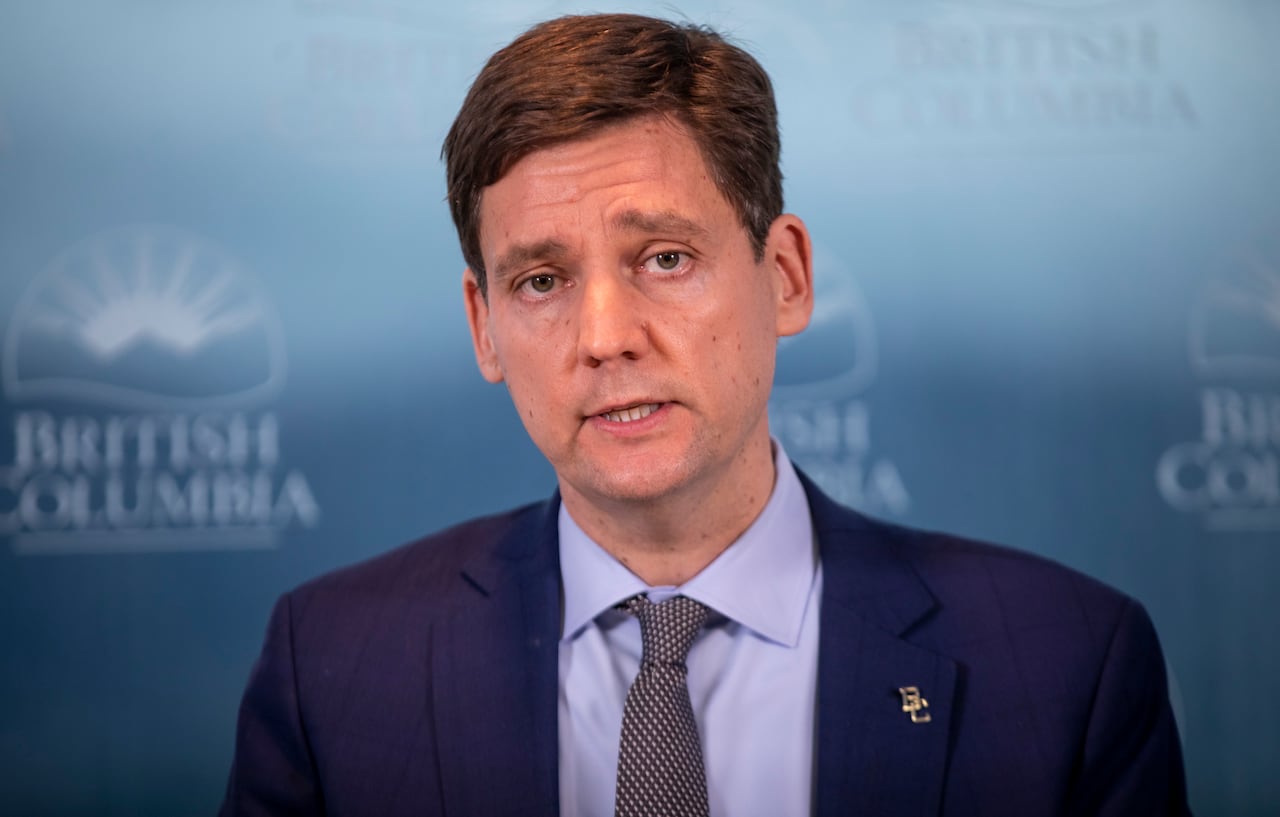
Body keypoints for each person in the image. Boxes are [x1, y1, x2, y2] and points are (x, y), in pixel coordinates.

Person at [220, 13, 1190, 817]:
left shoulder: (1068, 667)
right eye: (542, 279)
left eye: (663, 259)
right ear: (483, 327)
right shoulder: (333, 669)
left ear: (785, 277)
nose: (604, 336)